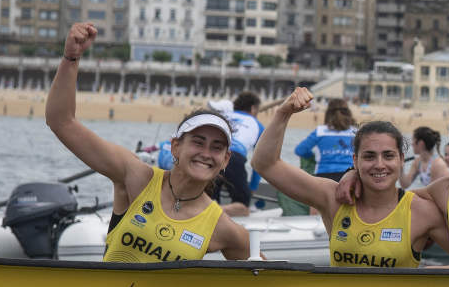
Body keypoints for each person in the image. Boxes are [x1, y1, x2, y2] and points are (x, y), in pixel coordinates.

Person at [46, 22, 249, 262]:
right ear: (175, 147)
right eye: (198, 142)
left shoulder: (223, 228)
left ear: (225, 159)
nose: (206, 153)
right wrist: (71, 58)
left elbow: (262, 280)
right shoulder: (136, 177)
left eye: (217, 147)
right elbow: (61, 122)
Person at [255, 87, 449, 266]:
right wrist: (283, 113)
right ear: (355, 161)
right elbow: (266, 164)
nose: (379, 164)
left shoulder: (422, 211)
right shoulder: (333, 198)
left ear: (401, 159)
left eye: (388, 155)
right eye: (369, 156)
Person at [219, 91, 263, 213]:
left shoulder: (223, 116)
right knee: (242, 203)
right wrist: (252, 187)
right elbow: (260, 161)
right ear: (253, 108)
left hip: (212, 155)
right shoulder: (258, 125)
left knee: (210, 197)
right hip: (233, 159)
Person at [295, 98, 357, 180]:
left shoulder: (320, 131)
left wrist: (312, 157)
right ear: (348, 113)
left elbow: (300, 150)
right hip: (350, 177)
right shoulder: (356, 132)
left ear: (328, 114)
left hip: (323, 176)